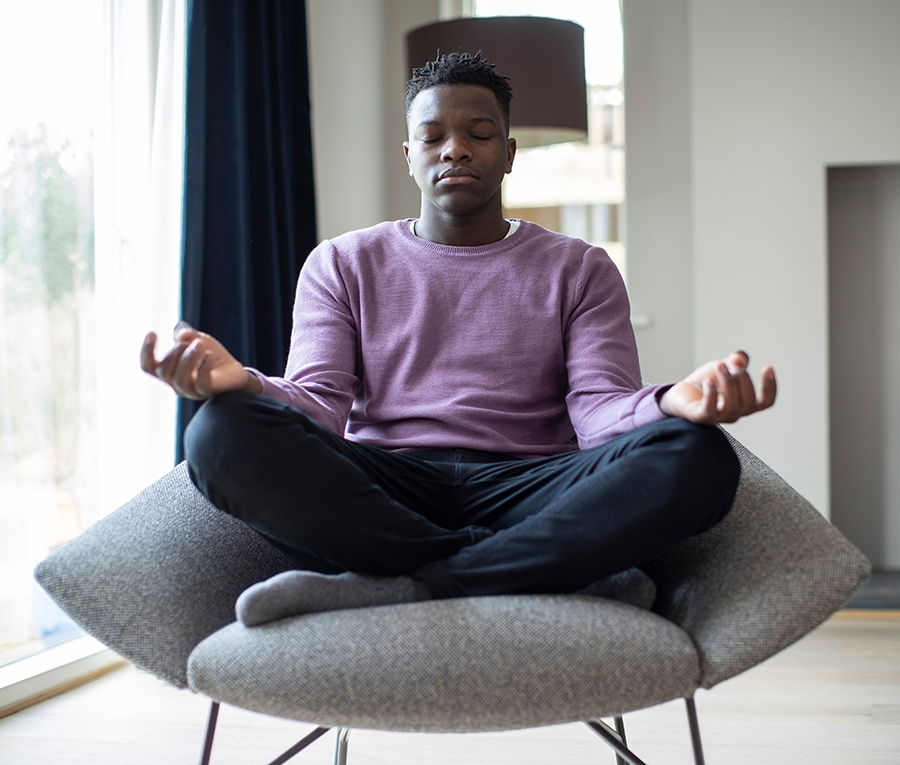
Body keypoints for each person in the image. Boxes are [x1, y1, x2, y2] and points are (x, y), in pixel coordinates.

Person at [141, 52, 776, 626]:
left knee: (699, 455)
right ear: (410, 156)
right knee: (218, 431)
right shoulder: (341, 263)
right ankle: (544, 575)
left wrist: (672, 404)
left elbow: (599, 410)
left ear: (509, 151)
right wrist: (240, 385)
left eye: (479, 134)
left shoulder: (580, 268)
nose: (456, 150)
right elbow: (320, 403)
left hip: (530, 485)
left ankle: (398, 584)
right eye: (434, 136)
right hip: (388, 490)